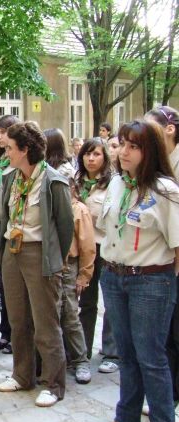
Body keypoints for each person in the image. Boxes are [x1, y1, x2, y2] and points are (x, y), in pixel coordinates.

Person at [95, 120, 179, 422]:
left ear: (150, 151)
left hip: (150, 281)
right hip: (114, 276)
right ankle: (126, 416)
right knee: (126, 354)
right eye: (122, 144)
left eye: (134, 146)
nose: (124, 152)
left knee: (151, 355)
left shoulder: (166, 192)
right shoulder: (118, 184)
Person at [0, 121, 74, 407]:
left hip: (39, 254)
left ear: (26, 149)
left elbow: (65, 229)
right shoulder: (9, 177)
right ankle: (22, 375)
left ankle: (53, 384)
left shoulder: (53, 181)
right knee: (18, 320)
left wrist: (53, 259)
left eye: (10, 149)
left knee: (46, 323)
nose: (6, 154)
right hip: (12, 252)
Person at [145, 105, 179, 422]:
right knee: (165, 334)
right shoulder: (157, 164)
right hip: (163, 259)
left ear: (169, 129)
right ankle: (168, 395)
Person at [74, 138, 119, 372]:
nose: (91, 159)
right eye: (87, 154)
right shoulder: (75, 181)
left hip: (106, 248)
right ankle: (82, 351)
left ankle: (112, 352)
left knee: (111, 302)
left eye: (97, 154)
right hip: (82, 250)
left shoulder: (114, 184)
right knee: (86, 302)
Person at [0, 114, 20, 355]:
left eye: (3, 132)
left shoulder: (17, 163)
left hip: (9, 228)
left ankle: (14, 335)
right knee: (2, 280)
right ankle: (5, 332)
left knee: (11, 283)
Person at [62, 177, 95, 384]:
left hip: (69, 265)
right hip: (52, 266)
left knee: (70, 313)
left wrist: (84, 274)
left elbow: (87, 246)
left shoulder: (79, 210)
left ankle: (80, 359)